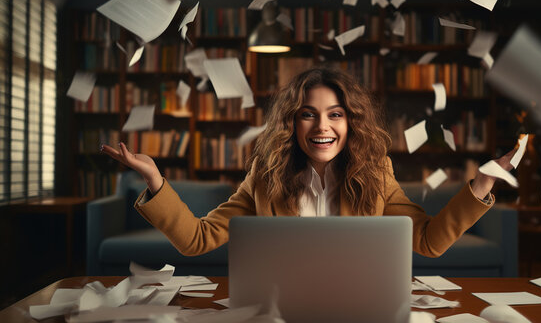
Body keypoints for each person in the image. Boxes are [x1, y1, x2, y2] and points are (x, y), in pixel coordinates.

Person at [101, 67, 515, 257]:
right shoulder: (264, 178)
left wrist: (481, 185)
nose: (323, 126)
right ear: (292, 122)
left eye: (336, 114)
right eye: (307, 113)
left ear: (351, 123)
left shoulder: (376, 174)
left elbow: (428, 241)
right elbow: (197, 239)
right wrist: (155, 180)